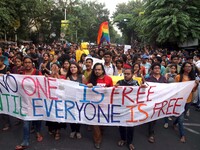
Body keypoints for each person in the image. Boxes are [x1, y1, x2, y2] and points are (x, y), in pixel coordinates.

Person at [15, 57, 43, 150]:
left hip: (36, 100)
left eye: (29, 62)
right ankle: (25, 141)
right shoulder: (20, 73)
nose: (27, 64)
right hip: (25, 101)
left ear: (32, 63)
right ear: (23, 63)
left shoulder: (37, 72)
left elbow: (43, 84)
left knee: (37, 118)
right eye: (25, 62)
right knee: (26, 122)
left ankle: (38, 131)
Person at [116, 68, 146, 150]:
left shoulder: (136, 83)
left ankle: (129, 142)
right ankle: (123, 139)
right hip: (121, 107)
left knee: (130, 126)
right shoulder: (120, 82)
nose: (126, 75)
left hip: (131, 108)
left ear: (132, 74)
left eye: (128, 74)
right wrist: (115, 88)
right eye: (125, 74)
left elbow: (140, 94)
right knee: (121, 124)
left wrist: (143, 88)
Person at [87, 63, 113, 149]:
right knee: (95, 123)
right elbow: (85, 91)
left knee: (102, 123)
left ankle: (101, 132)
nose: (97, 71)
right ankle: (97, 140)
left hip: (104, 105)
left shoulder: (108, 79)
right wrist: (89, 86)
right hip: (94, 105)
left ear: (103, 70)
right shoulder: (91, 79)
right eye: (95, 70)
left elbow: (112, 91)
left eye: (99, 69)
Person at [173, 62, 198, 143]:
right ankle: (182, 135)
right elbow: (175, 89)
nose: (188, 68)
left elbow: (193, 90)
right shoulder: (178, 77)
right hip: (180, 100)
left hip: (188, 100)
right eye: (187, 66)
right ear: (183, 68)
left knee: (181, 115)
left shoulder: (192, 78)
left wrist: (196, 85)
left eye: (190, 66)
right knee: (181, 119)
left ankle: (174, 123)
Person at [145, 62, 167, 143]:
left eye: (158, 68)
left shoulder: (163, 79)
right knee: (152, 117)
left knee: (155, 117)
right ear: (152, 70)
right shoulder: (148, 79)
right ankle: (151, 133)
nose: (157, 69)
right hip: (151, 101)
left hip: (160, 100)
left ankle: (151, 128)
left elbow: (167, 88)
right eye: (155, 68)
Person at [46, 63, 66, 140]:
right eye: (52, 67)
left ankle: (57, 131)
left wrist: (56, 75)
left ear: (59, 69)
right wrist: (50, 76)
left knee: (58, 116)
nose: (54, 68)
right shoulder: (47, 77)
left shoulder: (63, 77)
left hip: (59, 100)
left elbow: (62, 87)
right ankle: (51, 128)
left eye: (56, 67)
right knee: (51, 115)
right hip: (50, 100)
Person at [66, 62, 86, 139]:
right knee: (72, 116)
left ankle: (78, 131)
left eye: (74, 67)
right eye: (71, 67)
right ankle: (73, 130)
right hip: (71, 100)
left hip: (80, 100)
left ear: (77, 68)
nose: (72, 69)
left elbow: (85, 88)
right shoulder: (68, 77)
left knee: (78, 115)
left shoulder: (82, 77)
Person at [163, 64, 177, 128]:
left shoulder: (177, 76)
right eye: (172, 68)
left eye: (174, 68)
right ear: (169, 69)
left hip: (174, 93)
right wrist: (167, 78)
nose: (173, 70)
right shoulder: (167, 74)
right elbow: (165, 82)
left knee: (172, 105)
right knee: (167, 106)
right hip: (168, 93)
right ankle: (166, 122)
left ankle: (169, 115)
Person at [0, 56, 11, 131]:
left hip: (5, 91)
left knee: (4, 107)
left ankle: (7, 123)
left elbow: (11, 79)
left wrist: (7, 74)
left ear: (2, 61)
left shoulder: (7, 68)